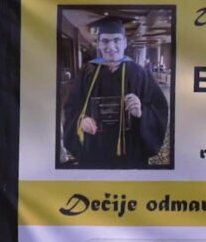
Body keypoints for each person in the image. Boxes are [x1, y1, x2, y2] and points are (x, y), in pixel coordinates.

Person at [62, 17, 169, 168]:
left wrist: (142, 112)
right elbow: (71, 107)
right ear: (98, 43)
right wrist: (81, 120)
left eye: (116, 40)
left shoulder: (140, 74)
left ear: (125, 42)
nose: (111, 47)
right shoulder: (87, 72)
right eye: (105, 41)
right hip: (94, 148)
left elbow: (159, 109)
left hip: (130, 151)